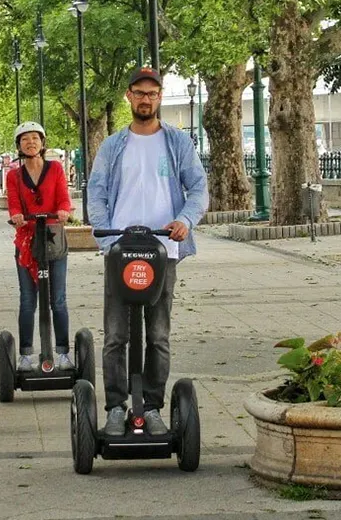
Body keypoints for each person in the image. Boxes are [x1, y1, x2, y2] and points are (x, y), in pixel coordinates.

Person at [87, 67, 208, 436]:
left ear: (160, 97)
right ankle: (114, 406)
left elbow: (199, 187)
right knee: (115, 336)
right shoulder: (112, 145)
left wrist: (185, 219)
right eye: (139, 93)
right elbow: (97, 193)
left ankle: (152, 406)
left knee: (158, 335)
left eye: (152, 94)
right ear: (128, 96)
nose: (145, 99)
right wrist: (107, 240)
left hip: (163, 250)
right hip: (120, 250)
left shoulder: (177, 143)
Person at [5, 121, 74, 371]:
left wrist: (64, 210)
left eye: (35, 138)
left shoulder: (55, 168)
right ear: (19, 146)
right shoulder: (13, 175)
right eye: (25, 139)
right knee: (27, 300)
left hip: (53, 237)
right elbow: (14, 202)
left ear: (43, 143)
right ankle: (25, 355)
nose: (30, 142)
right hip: (27, 240)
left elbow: (63, 197)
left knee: (58, 299)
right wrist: (16, 215)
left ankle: (63, 353)